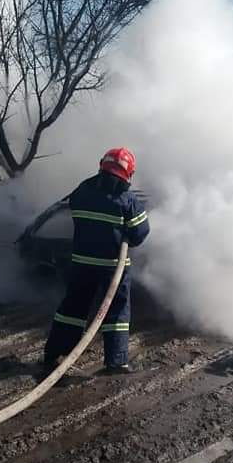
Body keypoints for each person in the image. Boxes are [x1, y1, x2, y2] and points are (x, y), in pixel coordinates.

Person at [41, 147, 150, 378]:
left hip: (81, 264)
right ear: (129, 173)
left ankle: (55, 353)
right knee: (116, 313)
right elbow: (140, 233)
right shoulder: (126, 199)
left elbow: (73, 207)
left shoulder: (82, 190)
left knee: (72, 309)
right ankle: (116, 362)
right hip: (113, 267)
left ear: (102, 165)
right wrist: (123, 231)